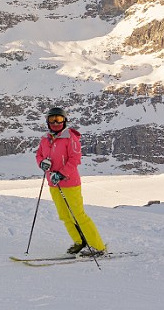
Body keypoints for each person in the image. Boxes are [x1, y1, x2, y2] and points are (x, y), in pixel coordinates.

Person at [35, 107, 106, 255]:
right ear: (47, 122)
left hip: (70, 183)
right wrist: (42, 163)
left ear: (65, 121)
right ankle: (80, 242)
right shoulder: (45, 139)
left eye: (59, 119)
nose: (55, 123)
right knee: (64, 215)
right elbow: (39, 155)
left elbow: (75, 160)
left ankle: (98, 246)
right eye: (52, 119)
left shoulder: (70, 138)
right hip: (53, 184)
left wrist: (61, 174)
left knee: (78, 215)